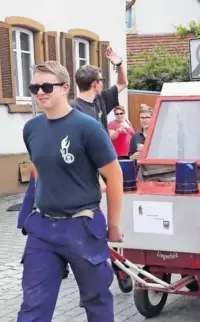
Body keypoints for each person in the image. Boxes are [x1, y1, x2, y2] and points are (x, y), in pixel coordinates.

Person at [17, 61, 123, 322]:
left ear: (65, 88)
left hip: (82, 227)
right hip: (43, 229)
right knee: (33, 305)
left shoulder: (87, 127)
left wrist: (114, 224)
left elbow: (114, 174)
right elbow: (39, 170)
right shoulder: (32, 129)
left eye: (46, 86)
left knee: (96, 300)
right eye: (34, 87)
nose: (39, 92)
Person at [71, 46, 131, 295]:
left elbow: (123, 83)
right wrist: (95, 179)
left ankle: (119, 266)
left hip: (106, 167)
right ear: (95, 83)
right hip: (88, 177)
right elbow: (77, 152)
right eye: (101, 81)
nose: (103, 85)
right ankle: (109, 269)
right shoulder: (74, 110)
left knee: (112, 223)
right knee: (92, 227)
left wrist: (118, 64)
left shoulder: (100, 100)